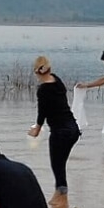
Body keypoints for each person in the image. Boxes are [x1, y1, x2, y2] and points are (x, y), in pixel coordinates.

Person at [28, 56, 80, 196]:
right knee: (60, 164)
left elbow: (42, 111)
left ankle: (60, 201)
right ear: (49, 69)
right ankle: (62, 197)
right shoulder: (57, 81)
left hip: (60, 132)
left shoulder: (43, 89)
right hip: (73, 130)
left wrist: (37, 129)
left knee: (57, 166)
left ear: (36, 72)